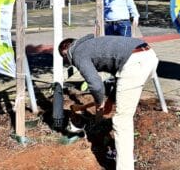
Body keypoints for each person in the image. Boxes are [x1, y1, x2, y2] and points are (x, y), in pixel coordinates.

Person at [59, 35, 158, 170]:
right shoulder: (91, 45)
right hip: (148, 55)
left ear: (66, 52)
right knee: (125, 115)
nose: (70, 63)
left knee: (122, 121)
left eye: (65, 60)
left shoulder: (77, 53)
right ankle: (124, 154)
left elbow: (96, 85)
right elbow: (120, 71)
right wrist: (110, 100)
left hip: (135, 63)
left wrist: (99, 102)